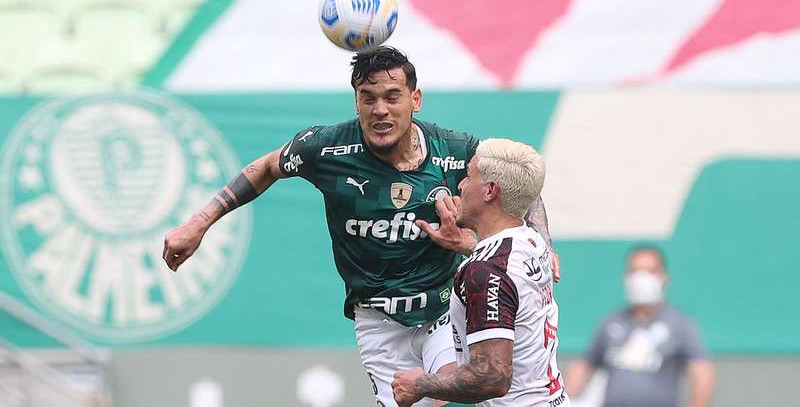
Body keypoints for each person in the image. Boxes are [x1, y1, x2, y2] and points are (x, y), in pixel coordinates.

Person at [161, 46, 557, 407]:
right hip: (379, 322)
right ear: (356, 102)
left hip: (440, 310)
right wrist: (198, 223)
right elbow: (265, 167)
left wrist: (540, 241)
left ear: (415, 100)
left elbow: (515, 178)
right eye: (367, 99)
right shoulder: (326, 148)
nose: (379, 109)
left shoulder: (454, 150)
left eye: (391, 97)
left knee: (468, 389)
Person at [392, 138, 569, 407]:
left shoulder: (483, 272)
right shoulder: (533, 242)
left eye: (468, 176)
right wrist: (469, 247)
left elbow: (492, 378)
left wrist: (420, 384)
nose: (460, 185)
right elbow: (506, 274)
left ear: (489, 191)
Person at [565, 246, 715, 407]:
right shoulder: (611, 322)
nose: (641, 279)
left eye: (650, 271)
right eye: (634, 271)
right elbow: (583, 367)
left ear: (664, 277)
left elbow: (703, 375)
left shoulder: (680, 324)